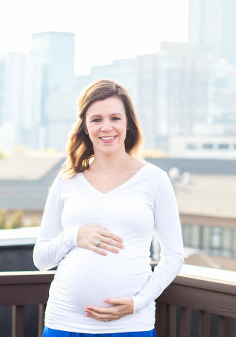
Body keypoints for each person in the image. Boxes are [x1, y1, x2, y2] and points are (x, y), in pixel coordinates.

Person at [33, 79, 184, 336]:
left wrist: (140, 302)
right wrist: (74, 236)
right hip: (64, 324)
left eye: (115, 118)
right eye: (96, 119)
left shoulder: (154, 180)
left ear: (128, 124)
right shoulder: (66, 181)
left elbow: (175, 256)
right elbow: (41, 259)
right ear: (85, 127)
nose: (106, 127)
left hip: (131, 326)